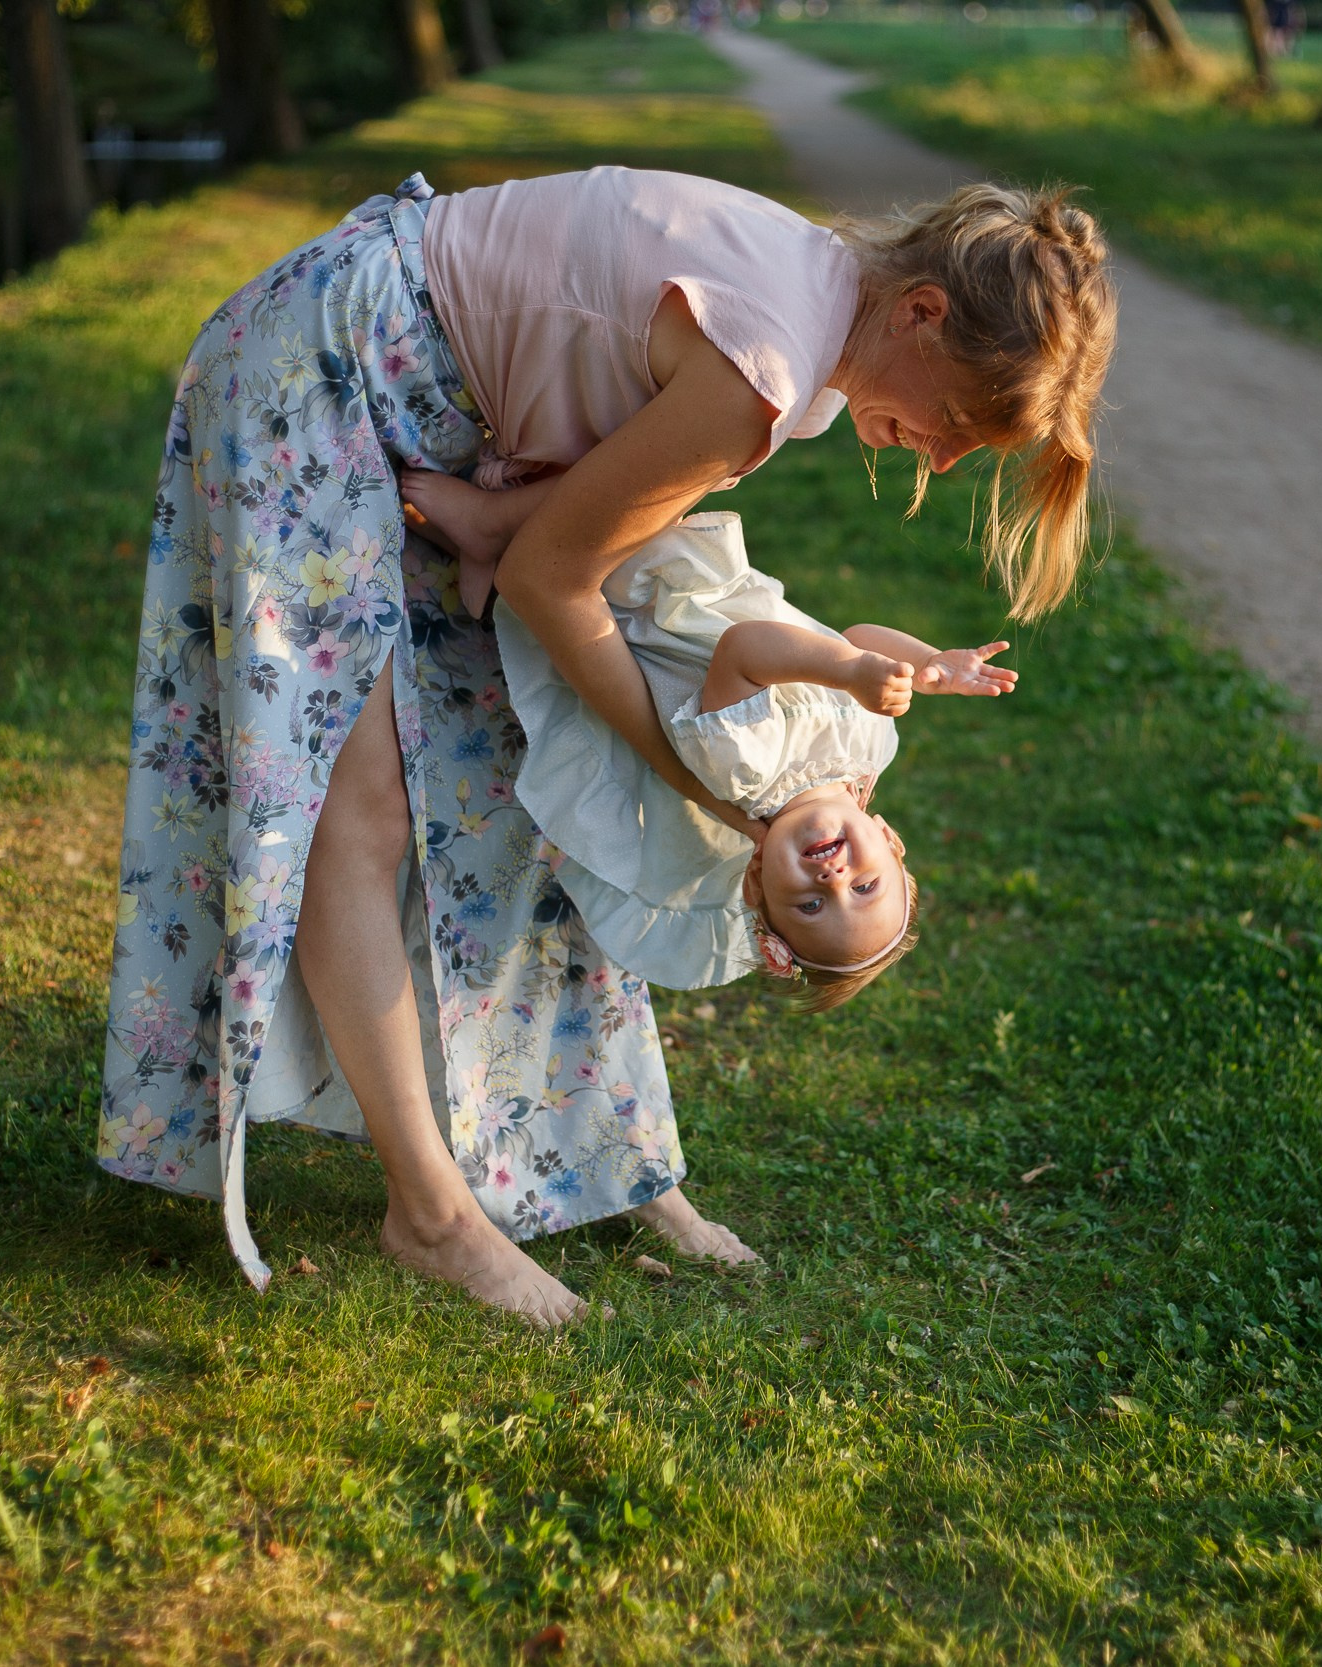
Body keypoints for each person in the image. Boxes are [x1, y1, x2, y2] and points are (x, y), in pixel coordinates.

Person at [99, 166, 1114, 1325]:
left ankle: (605, 1158)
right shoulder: (765, 364)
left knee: (516, 803)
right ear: (922, 314)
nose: (941, 459)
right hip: (321, 368)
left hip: (424, 407)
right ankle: (429, 1214)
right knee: (355, 800)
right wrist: (699, 780)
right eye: (959, 425)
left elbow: (592, 518)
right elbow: (549, 581)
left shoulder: (813, 321)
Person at [470, 508, 1016, 1004]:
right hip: (701, 581)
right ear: (890, 841)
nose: (833, 880)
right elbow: (854, 636)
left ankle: (480, 521)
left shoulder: (745, 774)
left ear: (756, 884)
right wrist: (924, 663)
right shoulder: (874, 748)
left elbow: (744, 650)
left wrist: (851, 672)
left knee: (571, 511)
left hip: (650, 596)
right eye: (865, 886)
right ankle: (488, 519)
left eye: (809, 906)